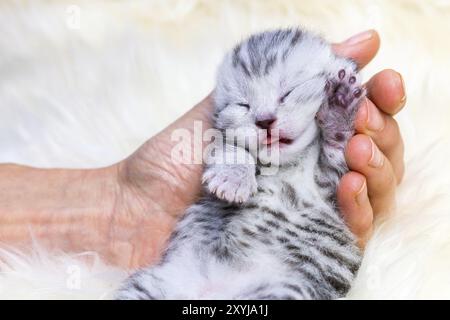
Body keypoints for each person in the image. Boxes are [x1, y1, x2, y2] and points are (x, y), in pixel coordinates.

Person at [0, 30, 405, 269]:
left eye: (290, 93)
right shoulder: (232, 145)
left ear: (336, 78)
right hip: (198, 260)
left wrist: (336, 135)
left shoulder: (330, 120)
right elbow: (224, 149)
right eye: (242, 106)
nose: (264, 116)